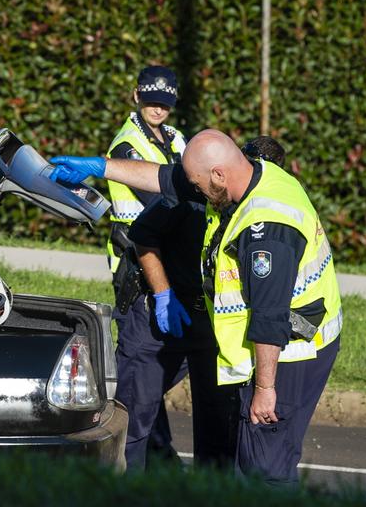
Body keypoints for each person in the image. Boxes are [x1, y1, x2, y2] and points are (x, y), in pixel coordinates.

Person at [49, 131, 343, 486]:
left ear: (218, 174)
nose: (195, 192)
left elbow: (269, 319)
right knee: (246, 462)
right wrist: (99, 167)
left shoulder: (266, 230)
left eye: (198, 184)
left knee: (266, 469)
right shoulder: (245, 175)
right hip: (255, 345)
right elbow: (165, 178)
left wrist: (265, 390)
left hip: (289, 354)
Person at [123, 135, 289, 470]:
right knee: (133, 415)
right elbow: (142, 238)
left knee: (218, 430)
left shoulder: (265, 210)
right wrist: (164, 294)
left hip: (213, 325)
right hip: (162, 311)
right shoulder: (195, 192)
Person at [103, 65, 188, 469]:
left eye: (165, 104)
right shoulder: (127, 146)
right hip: (140, 278)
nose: (159, 110)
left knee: (157, 374)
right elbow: (164, 200)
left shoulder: (175, 138)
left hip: (172, 270)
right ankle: (124, 474)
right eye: (152, 101)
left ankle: (158, 458)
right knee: (138, 384)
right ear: (136, 95)